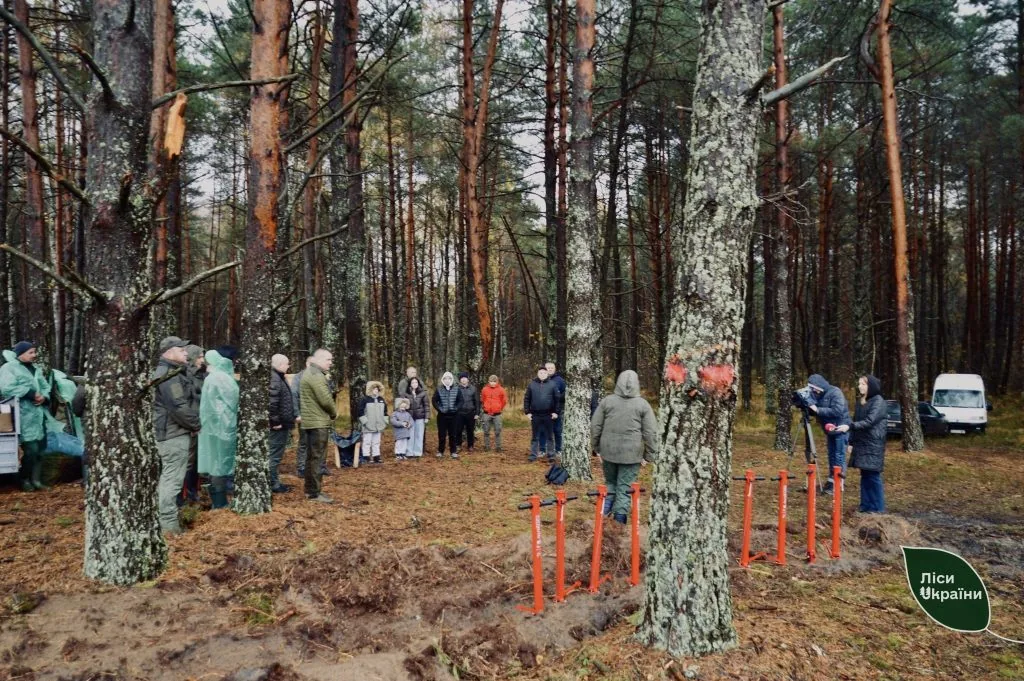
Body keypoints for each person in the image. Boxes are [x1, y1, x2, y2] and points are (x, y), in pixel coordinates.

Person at [591, 370, 658, 523]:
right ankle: (619, 524)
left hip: (609, 451)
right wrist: (649, 455)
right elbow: (650, 433)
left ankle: (602, 519)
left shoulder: (607, 401)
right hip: (632, 454)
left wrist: (597, 448)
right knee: (625, 487)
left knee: (610, 483)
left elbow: (595, 426)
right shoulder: (643, 405)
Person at [150, 336, 201, 534]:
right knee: (172, 480)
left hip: (172, 432)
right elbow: (178, 407)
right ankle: (169, 527)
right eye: (182, 350)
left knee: (169, 479)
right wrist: (195, 424)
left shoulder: (172, 373)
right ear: (170, 352)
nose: (186, 353)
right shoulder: (168, 376)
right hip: (173, 435)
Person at [0, 341, 50, 491]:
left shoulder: (36, 369)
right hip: (22, 414)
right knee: (30, 449)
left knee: (41, 449)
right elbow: (7, 388)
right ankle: (24, 480)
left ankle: (37, 481)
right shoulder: (8, 368)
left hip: (39, 415)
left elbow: (46, 386)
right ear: (20, 353)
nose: (34, 355)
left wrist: (44, 397)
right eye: (31, 352)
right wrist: (31, 394)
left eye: (34, 352)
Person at [836, 375, 887, 513]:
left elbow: (869, 421)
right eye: (859, 384)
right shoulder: (860, 402)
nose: (860, 386)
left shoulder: (879, 401)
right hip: (861, 443)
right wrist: (851, 441)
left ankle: (878, 508)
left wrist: (849, 427)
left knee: (873, 476)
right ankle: (865, 506)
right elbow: (856, 420)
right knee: (864, 475)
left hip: (873, 444)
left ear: (871, 386)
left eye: (863, 384)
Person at [198, 349, 239, 509]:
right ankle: (219, 502)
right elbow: (234, 397)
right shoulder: (220, 377)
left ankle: (219, 500)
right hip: (222, 426)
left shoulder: (213, 377)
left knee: (216, 463)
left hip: (214, 426)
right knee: (219, 464)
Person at [300, 349, 337, 502]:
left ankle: (310, 490)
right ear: (320, 359)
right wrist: (334, 412)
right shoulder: (316, 375)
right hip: (318, 422)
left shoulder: (310, 372)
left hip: (311, 421)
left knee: (311, 457)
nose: (330, 363)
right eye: (328, 359)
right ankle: (314, 492)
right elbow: (325, 399)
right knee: (317, 458)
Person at [806, 373, 851, 494]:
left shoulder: (835, 392)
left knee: (839, 456)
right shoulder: (818, 395)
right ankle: (831, 481)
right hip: (830, 431)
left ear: (819, 385)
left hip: (840, 429)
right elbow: (815, 412)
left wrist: (818, 409)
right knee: (831, 456)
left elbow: (837, 411)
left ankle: (838, 483)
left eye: (814, 388)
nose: (813, 390)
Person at [179, 344, 206, 505]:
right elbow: (184, 404)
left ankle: (193, 491)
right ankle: (184, 495)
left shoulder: (199, 375)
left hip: (198, 423)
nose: (203, 359)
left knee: (195, 460)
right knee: (188, 461)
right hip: (190, 426)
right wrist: (192, 424)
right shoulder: (186, 375)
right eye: (200, 356)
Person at [268, 354, 296, 494]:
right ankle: (274, 484)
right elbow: (272, 403)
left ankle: (274, 481)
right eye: (286, 364)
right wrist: (275, 422)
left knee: (275, 454)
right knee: (274, 455)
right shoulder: (275, 379)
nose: (288, 366)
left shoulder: (278, 377)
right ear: (279, 364)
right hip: (278, 426)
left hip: (282, 423)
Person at [524, 366, 559, 463]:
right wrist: (527, 412)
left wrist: (556, 412)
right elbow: (527, 399)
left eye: (544, 373)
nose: (542, 375)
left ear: (547, 374)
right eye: (540, 373)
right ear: (537, 374)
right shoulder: (532, 384)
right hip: (535, 415)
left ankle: (551, 455)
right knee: (535, 436)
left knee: (549, 436)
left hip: (548, 414)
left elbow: (557, 399)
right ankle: (533, 455)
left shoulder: (552, 384)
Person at [432, 371, 462, 459]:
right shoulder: (439, 389)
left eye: (449, 378)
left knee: (453, 434)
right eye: (445, 379)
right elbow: (434, 401)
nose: (447, 380)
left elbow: (461, 401)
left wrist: (456, 408)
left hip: (454, 416)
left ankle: (453, 452)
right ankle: (441, 451)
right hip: (442, 416)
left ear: (452, 379)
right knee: (442, 434)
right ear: (443, 380)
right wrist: (440, 409)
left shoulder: (457, 389)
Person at [358, 381, 388, 464]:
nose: (376, 390)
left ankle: (376, 456)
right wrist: (365, 422)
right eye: (374, 389)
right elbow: (360, 411)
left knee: (376, 441)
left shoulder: (381, 399)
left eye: (377, 389)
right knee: (367, 442)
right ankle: (366, 457)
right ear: (370, 389)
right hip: (368, 425)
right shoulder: (365, 399)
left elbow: (385, 412)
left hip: (379, 425)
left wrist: (385, 421)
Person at [401, 376, 428, 458]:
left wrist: (427, 417)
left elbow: (426, 406)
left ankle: (418, 453)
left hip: (420, 417)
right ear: (410, 384)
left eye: (416, 382)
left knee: (419, 435)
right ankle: (409, 452)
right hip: (410, 417)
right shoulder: (406, 394)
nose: (414, 384)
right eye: (413, 382)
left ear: (418, 383)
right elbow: (403, 406)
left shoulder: (423, 393)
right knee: (410, 435)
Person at [480, 374, 507, 452]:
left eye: (494, 381)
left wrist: (499, 408)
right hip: (486, 413)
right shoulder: (484, 389)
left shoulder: (501, 390)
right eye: (491, 381)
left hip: (497, 414)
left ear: (497, 382)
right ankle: (487, 446)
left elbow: (504, 401)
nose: (492, 383)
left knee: (498, 431)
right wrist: (486, 407)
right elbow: (483, 399)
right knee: (486, 431)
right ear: (489, 381)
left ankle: (498, 447)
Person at [544, 361, 566, 457]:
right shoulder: (540, 379)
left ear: (555, 369)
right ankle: (544, 449)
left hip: (557, 410)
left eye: (551, 368)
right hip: (543, 410)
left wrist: (556, 398)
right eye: (548, 368)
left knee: (557, 430)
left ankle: (558, 449)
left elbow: (565, 394)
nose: (550, 370)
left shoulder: (560, 380)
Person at [455, 372, 480, 453]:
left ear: (468, 379)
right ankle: (458, 445)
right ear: (460, 380)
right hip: (459, 413)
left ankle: (470, 446)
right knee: (458, 430)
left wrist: (477, 413)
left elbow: (477, 402)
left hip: (470, 413)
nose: (463, 379)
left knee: (470, 431)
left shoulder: (473, 389)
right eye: (462, 378)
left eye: (465, 378)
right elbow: (454, 401)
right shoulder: (456, 389)